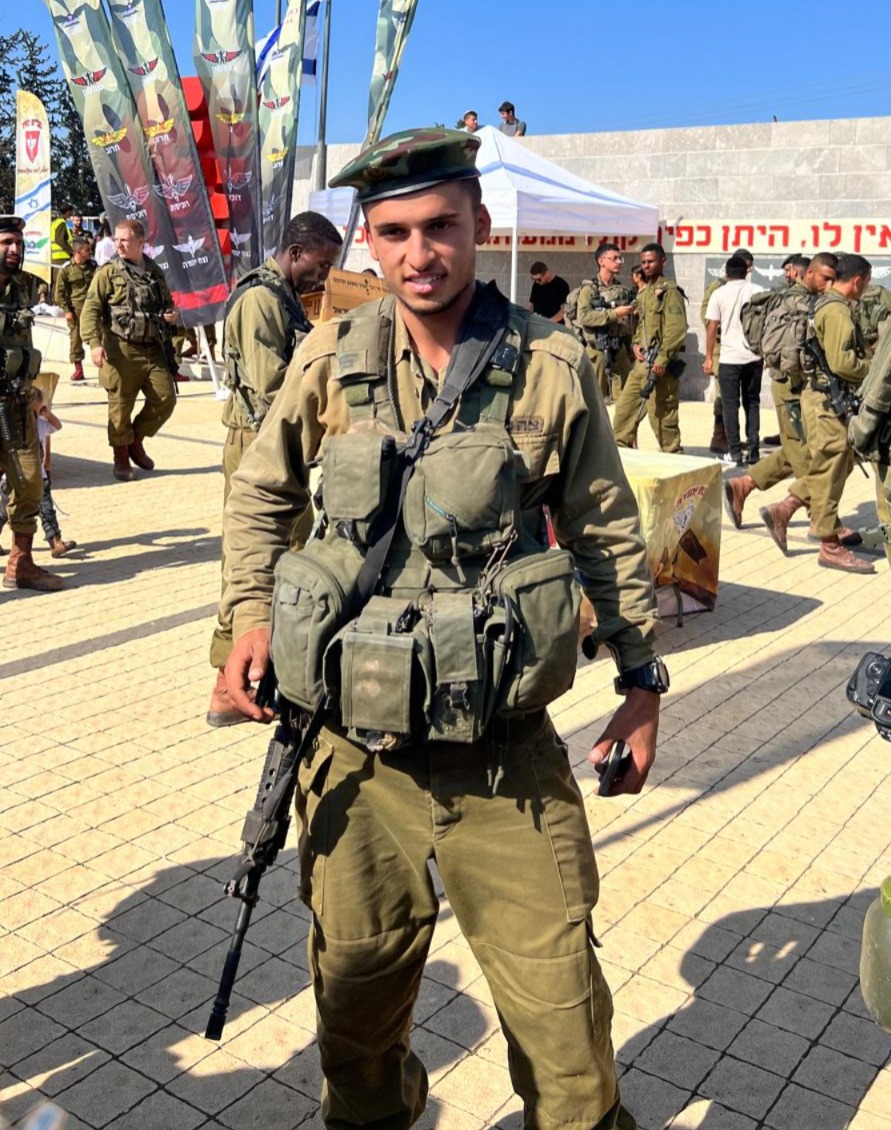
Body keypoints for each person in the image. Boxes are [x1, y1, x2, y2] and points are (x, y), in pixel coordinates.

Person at [219, 126, 665, 1129]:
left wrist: (641, 685)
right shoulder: (331, 353)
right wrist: (247, 620)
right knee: (355, 1023)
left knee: (565, 1031)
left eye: (440, 227)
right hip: (354, 753)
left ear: (479, 224)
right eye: (394, 233)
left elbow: (604, 525)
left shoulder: (549, 361)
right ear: (368, 241)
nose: (419, 253)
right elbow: (258, 495)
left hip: (504, 757)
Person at [207, 210, 343, 727]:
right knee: (253, 558)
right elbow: (271, 387)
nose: (323, 277)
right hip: (255, 441)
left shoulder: (284, 296)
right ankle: (226, 683)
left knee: (292, 550)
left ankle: (263, 665)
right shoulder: (261, 299)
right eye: (320, 265)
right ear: (295, 253)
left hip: (274, 439)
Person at [723, 253, 837, 538]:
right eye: (826, 278)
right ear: (806, 273)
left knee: (796, 449)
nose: (829, 284)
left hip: (786, 384)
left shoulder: (778, 298)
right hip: (794, 387)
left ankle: (743, 485)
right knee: (808, 452)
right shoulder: (808, 304)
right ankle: (818, 519)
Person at [80, 219, 179, 482]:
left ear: (140, 241)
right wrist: (94, 344)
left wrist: (170, 313)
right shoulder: (108, 272)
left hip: (153, 347)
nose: (119, 244)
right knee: (120, 406)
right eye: (116, 239)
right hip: (120, 348)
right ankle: (121, 456)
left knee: (165, 398)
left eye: (124, 240)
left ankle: (136, 440)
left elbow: (166, 302)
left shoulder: (154, 270)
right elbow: (90, 310)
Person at [798, 253, 875, 572]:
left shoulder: (825, 304)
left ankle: (787, 507)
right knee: (830, 467)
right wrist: (874, 368)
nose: (865, 288)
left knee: (835, 463)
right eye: (866, 283)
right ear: (857, 281)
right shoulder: (838, 311)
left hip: (823, 397)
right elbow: (843, 363)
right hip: (826, 401)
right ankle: (829, 546)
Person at [0, 216, 65, 591]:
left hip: (17, 405)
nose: (15, 249)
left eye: (19, 243)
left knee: (29, 481)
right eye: (7, 242)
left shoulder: (24, 287)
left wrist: (36, 396)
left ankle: (20, 563)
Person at [612, 242, 688, 453]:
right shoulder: (645, 293)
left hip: (660, 367)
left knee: (662, 416)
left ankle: (673, 455)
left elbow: (676, 329)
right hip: (641, 364)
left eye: (651, 261)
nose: (646, 265)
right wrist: (636, 343)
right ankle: (621, 454)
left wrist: (662, 359)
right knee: (624, 411)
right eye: (644, 262)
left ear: (663, 262)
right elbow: (641, 325)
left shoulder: (670, 292)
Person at [704, 255, 765, 466]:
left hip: (729, 358)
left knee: (730, 405)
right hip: (754, 357)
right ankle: (754, 450)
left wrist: (708, 358)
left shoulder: (719, 293)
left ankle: (735, 452)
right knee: (753, 403)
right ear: (746, 271)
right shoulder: (757, 291)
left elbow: (712, 327)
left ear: (727, 273)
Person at [574, 243, 636, 401]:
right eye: (614, 258)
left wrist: (631, 348)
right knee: (595, 399)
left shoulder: (620, 290)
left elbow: (628, 324)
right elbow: (584, 316)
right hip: (598, 349)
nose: (619, 262)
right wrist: (614, 313)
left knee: (628, 398)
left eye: (620, 258)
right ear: (601, 261)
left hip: (619, 348)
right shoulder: (589, 289)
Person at [53, 238, 97, 384]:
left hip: (93, 307)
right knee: (76, 339)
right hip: (76, 309)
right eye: (87, 250)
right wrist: (67, 311)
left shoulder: (94, 266)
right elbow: (59, 294)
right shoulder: (66, 270)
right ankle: (78, 368)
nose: (90, 252)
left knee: (100, 336)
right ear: (78, 252)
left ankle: (106, 367)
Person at [50, 205, 73, 278]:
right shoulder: (61, 223)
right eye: (71, 212)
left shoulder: (55, 222)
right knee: (60, 281)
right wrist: (71, 251)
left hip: (56, 257)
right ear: (68, 212)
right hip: (62, 258)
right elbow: (59, 240)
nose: (71, 214)